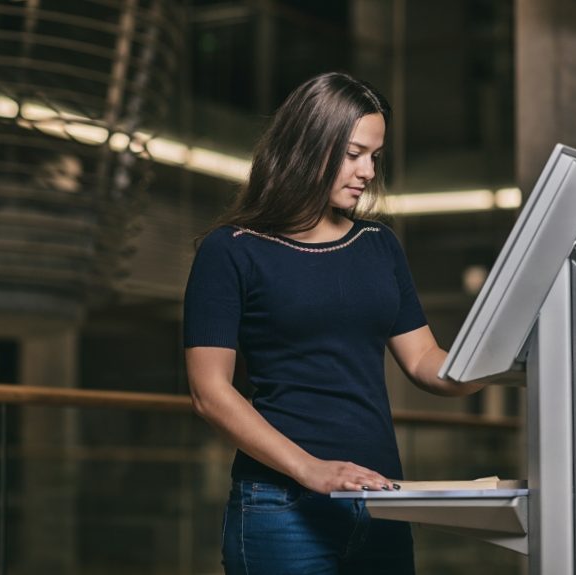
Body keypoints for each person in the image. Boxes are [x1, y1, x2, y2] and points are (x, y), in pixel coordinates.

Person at [183, 71, 484, 575]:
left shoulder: (378, 244)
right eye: (352, 153)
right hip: (281, 508)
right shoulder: (231, 250)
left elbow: (427, 364)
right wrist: (312, 471)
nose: (367, 171)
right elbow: (209, 392)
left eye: (375, 156)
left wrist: (509, 362)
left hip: (382, 500)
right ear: (307, 145)